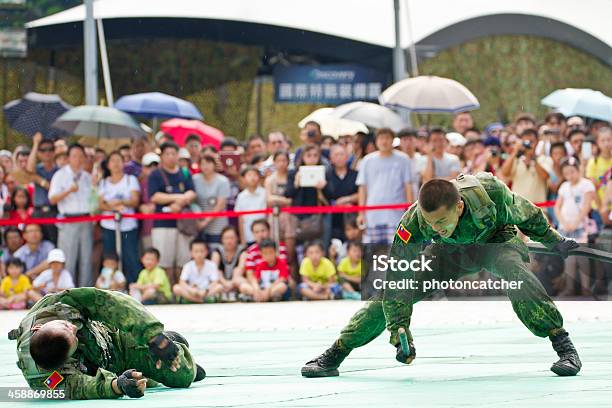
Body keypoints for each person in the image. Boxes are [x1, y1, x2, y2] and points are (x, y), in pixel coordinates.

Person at [302, 173, 582, 378]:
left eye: (440, 223)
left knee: (518, 277)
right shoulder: (414, 222)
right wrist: (399, 327)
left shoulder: (490, 192)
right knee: (385, 299)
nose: (433, 228)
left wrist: (553, 241)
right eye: (429, 223)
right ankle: (336, 353)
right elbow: (398, 278)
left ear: (459, 207)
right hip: (447, 255)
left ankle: (564, 346)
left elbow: (527, 215)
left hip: (496, 242)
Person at [10, 287, 205, 399]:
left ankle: (160, 341)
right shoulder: (45, 381)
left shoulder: (57, 304)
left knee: (184, 374)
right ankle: (144, 369)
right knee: (147, 381)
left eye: (66, 325)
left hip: (115, 339)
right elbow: (80, 387)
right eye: (74, 338)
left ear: (38, 328)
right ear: (65, 361)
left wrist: (152, 334)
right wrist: (116, 386)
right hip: (105, 369)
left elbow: (109, 301)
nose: (75, 328)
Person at [148, 142, 197, 284]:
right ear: (161, 156)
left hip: (183, 224)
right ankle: (168, 291)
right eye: (167, 154)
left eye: (174, 154)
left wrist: (181, 202)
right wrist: (178, 198)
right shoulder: (155, 174)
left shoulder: (185, 172)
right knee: (164, 261)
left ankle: (181, 292)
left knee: (183, 260)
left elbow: (192, 192)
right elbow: (155, 196)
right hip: (163, 224)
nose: (171, 157)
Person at [357, 128, 413, 244]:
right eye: (381, 138)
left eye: (387, 138)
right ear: (376, 141)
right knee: (372, 250)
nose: (384, 141)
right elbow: (362, 188)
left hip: (396, 213)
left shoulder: (403, 159)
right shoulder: (367, 160)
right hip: (373, 212)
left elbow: (408, 186)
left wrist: (410, 212)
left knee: (397, 248)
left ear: (392, 140)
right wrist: (361, 213)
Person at [48, 143, 94, 287]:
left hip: (86, 219)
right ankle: (67, 291)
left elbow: (93, 200)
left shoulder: (88, 176)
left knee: (86, 259)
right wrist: (68, 190)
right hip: (68, 220)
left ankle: (86, 291)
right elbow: (52, 198)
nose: (78, 159)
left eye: (81, 156)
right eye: (75, 156)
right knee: (68, 258)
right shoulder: (60, 175)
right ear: (68, 158)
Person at [554, 157, 596, 297]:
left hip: (580, 227)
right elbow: (557, 207)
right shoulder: (564, 186)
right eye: (566, 173)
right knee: (569, 259)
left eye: (572, 172)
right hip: (565, 227)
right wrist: (564, 223)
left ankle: (586, 288)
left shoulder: (587, 185)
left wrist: (575, 223)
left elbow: (586, 206)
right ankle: (569, 288)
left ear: (578, 170)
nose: (570, 176)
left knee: (582, 258)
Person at [98, 151, 142, 283]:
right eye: (113, 161)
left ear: (124, 163)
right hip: (109, 225)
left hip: (128, 226)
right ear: (108, 165)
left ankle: (133, 287)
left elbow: (135, 201)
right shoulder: (104, 182)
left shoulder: (130, 180)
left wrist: (120, 202)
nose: (116, 164)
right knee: (110, 258)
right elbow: (100, 204)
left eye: (119, 160)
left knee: (130, 257)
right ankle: (109, 286)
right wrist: (114, 208)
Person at [500, 128, 551, 204]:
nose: (528, 144)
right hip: (518, 207)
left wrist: (533, 158)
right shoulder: (516, 160)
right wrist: (515, 151)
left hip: (539, 208)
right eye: (525, 142)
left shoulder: (544, 159)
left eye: (531, 141)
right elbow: (504, 173)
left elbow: (545, 176)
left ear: (537, 142)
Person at [26, 132, 59, 243]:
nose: (47, 152)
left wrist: (41, 181)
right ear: (38, 153)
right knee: (37, 244)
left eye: (50, 149)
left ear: (54, 151)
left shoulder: (59, 171)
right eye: (43, 150)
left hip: (54, 212)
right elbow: (29, 169)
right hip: (38, 212)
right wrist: (35, 144)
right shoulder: (37, 169)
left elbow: (56, 190)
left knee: (54, 243)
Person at [193, 155, 230, 245]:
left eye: (208, 163)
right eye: (203, 164)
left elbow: (220, 205)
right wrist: (198, 221)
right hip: (199, 224)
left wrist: (206, 222)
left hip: (218, 225)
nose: (206, 166)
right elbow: (193, 201)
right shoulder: (195, 179)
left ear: (214, 164)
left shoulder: (223, 181)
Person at [172, 239, 223, 303]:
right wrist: (191, 290)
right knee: (176, 288)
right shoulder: (188, 266)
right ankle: (198, 300)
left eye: (202, 251)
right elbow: (182, 282)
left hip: (205, 291)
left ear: (206, 252)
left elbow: (215, 282)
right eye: (196, 251)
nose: (199, 254)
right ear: (191, 253)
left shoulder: (211, 265)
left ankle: (198, 299)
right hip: (192, 291)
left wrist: (206, 290)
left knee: (219, 287)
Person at [324, 144, 358, 241]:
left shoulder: (355, 174)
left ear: (347, 157)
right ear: (331, 158)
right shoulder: (327, 175)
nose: (339, 158)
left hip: (352, 215)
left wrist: (347, 200)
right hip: (333, 218)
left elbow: (362, 193)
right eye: (336, 155)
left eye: (342, 154)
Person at [211, 226, 247, 301]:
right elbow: (214, 270)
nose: (229, 241)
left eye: (232, 238)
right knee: (216, 273)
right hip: (221, 283)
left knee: (238, 274)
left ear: (237, 238)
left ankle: (236, 293)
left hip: (235, 282)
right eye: (226, 238)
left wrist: (231, 283)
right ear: (222, 239)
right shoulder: (217, 251)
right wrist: (225, 283)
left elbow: (240, 269)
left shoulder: (242, 250)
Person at [235, 166, 267, 245]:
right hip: (248, 235)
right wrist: (242, 239)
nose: (252, 178)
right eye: (249, 175)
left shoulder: (265, 193)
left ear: (259, 177)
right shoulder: (241, 196)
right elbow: (240, 220)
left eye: (255, 175)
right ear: (244, 178)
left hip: (264, 234)